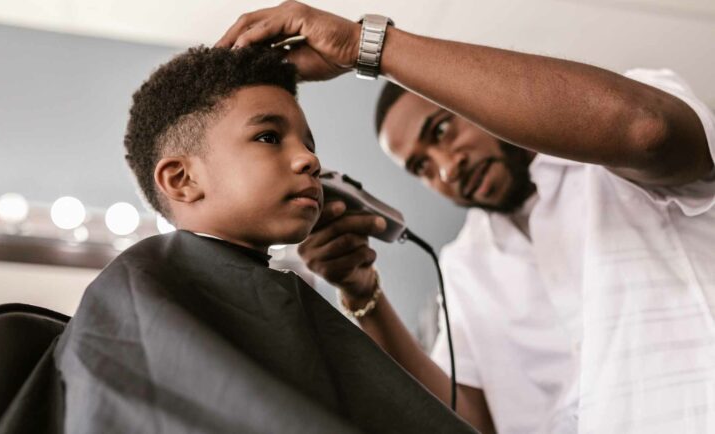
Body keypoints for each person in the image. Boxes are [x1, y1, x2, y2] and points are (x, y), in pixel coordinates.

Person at [216, 3, 715, 434]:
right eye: (422, 167)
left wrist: (367, 46)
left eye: (442, 130)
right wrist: (363, 293)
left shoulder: (616, 166)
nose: (447, 168)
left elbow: (646, 131)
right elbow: (463, 419)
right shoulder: (464, 267)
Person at [42, 45, 475, 434]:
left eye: (309, 144)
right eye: (269, 137)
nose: (309, 159)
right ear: (182, 179)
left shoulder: (274, 295)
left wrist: (363, 292)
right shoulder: (144, 289)